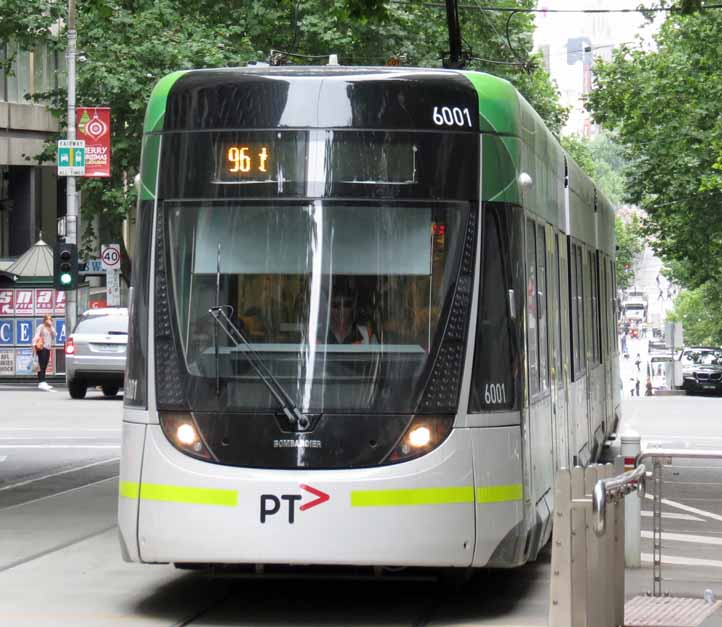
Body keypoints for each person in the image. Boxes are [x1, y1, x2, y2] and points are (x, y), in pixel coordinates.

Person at [33, 314, 56, 391]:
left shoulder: (51, 328)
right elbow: (36, 336)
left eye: (50, 319)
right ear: (44, 320)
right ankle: (41, 382)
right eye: (47, 319)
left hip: (48, 348)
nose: (49, 320)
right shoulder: (41, 326)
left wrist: (51, 327)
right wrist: (33, 345)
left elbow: (54, 335)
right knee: (41, 365)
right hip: (42, 347)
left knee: (45, 364)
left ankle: (43, 381)